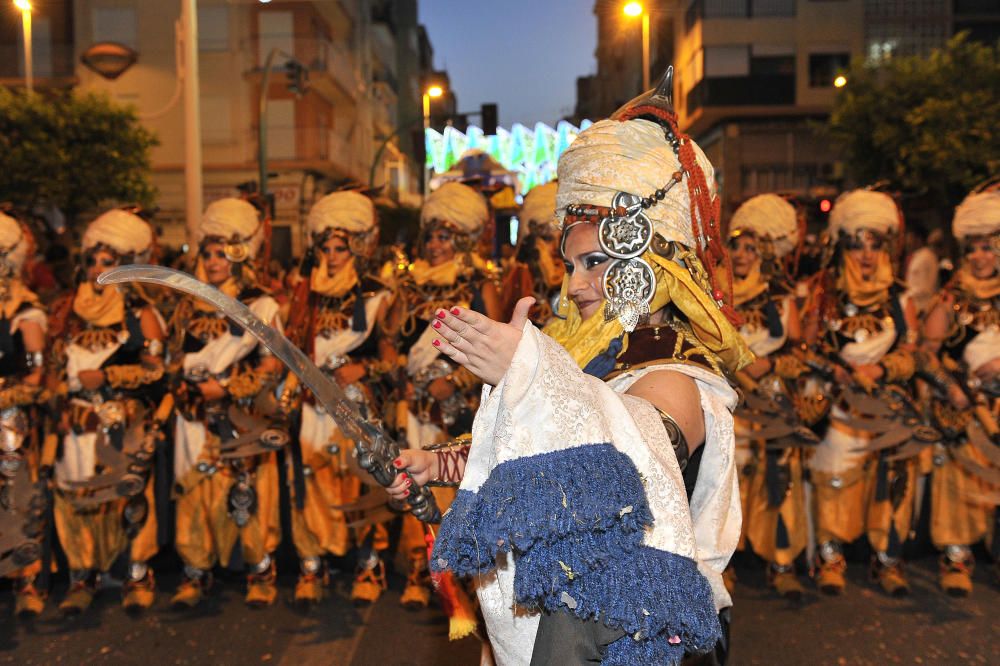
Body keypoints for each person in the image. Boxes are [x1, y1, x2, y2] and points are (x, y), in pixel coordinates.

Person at [388, 80, 752, 664]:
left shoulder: (675, 372)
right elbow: (541, 456)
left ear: (650, 267)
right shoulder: (584, 360)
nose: (575, 283)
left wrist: (529, 372)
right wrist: (435, 464)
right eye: (571, 264)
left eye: (596, 262)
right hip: (567, 624)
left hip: (637, 635)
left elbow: (630, 458)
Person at [381, 181, 503, 610]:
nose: (434, 244)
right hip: (413, 406)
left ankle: (458, 574)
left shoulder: (476, 283)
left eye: (444, 236)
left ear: (462, 241)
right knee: (411, 483)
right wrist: (402, 375)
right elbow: (390, 341)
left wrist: (453, 383)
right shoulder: (408, 286)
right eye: (430, 235)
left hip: (457, 409)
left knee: (457, 486)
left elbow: (497, 349)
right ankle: (418, 568)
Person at [169, 198, 285, 609]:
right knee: (193, 492)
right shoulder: (186, 303)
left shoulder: (261, 303)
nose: (214, 261)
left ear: (238, 257)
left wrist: (230, 388)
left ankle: (260, 570)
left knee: (245, 493)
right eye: (208, 253)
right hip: (193, 417)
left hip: (241, 417)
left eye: (222, 253)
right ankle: (195, 571)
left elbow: (273, 367)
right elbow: (172, 358)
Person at [49, 209, 165, 615]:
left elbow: (158, 372)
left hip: (122, 425)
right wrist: (58, 405)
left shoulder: (141, 314)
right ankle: (82, 577)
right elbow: (50, 367)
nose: (99, 269)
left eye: (109, 262)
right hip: (76, 425)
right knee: (73, 496)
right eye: (94, 261)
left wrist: (109, 376)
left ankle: (137, 575)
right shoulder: (66, 311)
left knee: (127, 497)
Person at [282, 190, 393, 606]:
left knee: (359, 478)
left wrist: (362, 370)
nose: (331, 257)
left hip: (355, 408)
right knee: (310, 480)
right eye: (325, 249)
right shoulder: (303, 295)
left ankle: (368, 563)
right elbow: (290, 350)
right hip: (313, 407)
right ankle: (312, 565)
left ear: (357, 250)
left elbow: (392, 359)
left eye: (340, 248)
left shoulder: (377, 295)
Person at [807, 189, 920, 597]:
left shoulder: (898, 296)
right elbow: (805, 348)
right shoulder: (824, 294)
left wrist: (884, 367)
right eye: (858, 245)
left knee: (891, 480)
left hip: (887, 406)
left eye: (875, 245)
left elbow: (913, 351)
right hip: (839, 405)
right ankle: (830, 555)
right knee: (833, 472)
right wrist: (836, 370)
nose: (868, 256)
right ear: (844, 248)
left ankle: (888, 560)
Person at [725, 194, 810, 599]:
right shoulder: (716, 298)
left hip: (772, 403)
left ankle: (781, 560)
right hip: (729, 403)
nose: (740, 255)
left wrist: (770, 367)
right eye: (735, 246)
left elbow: (799, 352)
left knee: (779, 472)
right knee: (727, 475)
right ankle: (723, 564)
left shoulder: (781, 298)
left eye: (750, 247)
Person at [921, 184, 1000, 595]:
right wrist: (956, 388)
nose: (980, 258)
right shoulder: (949, 299)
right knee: (961, 483)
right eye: (973, 250)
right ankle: (956, 559)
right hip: (967, 409)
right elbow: (926, 353)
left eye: (988, 248)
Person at [0, 212, 49, 617]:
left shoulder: (25, 309)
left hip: (8, 421)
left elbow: (35, 375)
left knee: (14, 498)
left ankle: (27, 582)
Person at [500, 181, 565, 324]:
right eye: (547, 238)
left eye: (561, 238)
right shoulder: (520, 277)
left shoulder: (579, 279)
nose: (555, 248)